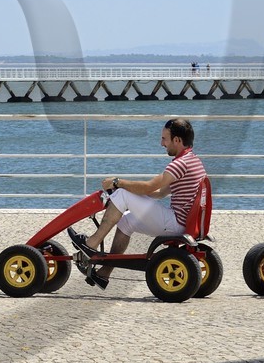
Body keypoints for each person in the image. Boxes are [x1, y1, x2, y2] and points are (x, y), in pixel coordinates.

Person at [67, 117, 207, 289]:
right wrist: (136, 197)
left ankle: (91, 244)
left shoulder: (180, 164)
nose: (162, 143)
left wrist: (118, 183)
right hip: (182, 221)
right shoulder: (193, 160)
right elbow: (159, 192)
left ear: (177, 140)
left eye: (164, 138)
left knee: (123, 193)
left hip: (176, 223)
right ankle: (104, 273)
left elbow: (149, 187)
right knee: (126, 222)